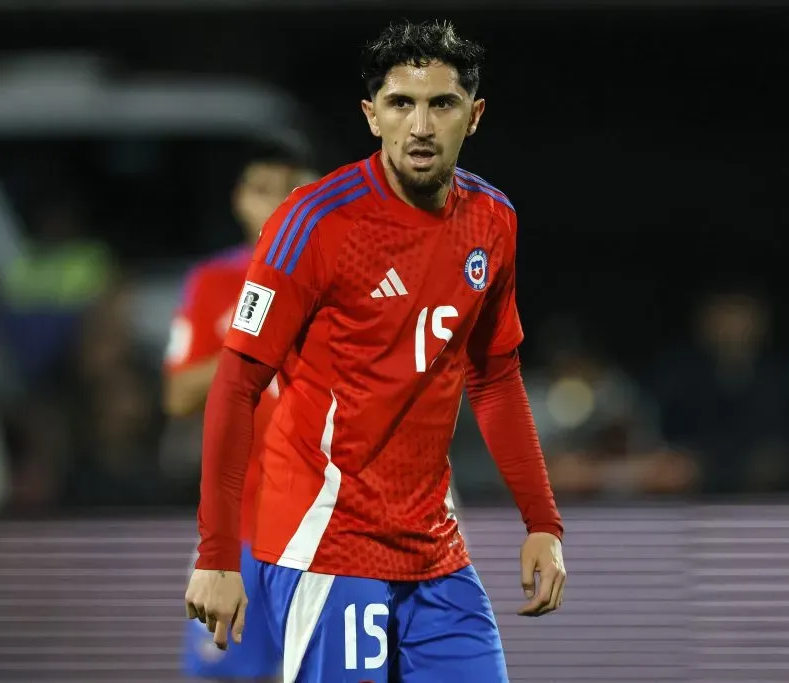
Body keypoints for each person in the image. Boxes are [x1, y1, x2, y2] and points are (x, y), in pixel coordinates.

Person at [185, 20, 567, 682]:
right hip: (326, 540)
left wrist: (542, 521)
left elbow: (496, 379)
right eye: (401, 103)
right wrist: (218, 554)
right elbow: (236, 384)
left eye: (441, 104)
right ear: (372, 116)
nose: (420, 125)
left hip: (433, 549)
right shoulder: (314, 222)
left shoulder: (492, 220)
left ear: (473, 117)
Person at [167, 151, 315, 681]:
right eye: (259, 187)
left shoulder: (341, 282)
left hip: (322, 529)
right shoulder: (214, 283)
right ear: (238, 199)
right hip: (240, 528)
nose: (272, 199)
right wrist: (252, 336)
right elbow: (178, 395)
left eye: (286, 186)